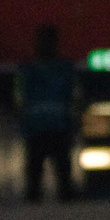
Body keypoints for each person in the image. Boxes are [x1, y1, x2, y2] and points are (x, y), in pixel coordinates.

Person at [16, 23, 77, 202]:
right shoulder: (27, 70)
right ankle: (35, 205)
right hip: (38, 129)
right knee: (35, 174)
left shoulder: (64, 69)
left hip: (57, 128)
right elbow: (19, 99)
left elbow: (74, 97)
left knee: (63, 173)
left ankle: (65, 203)